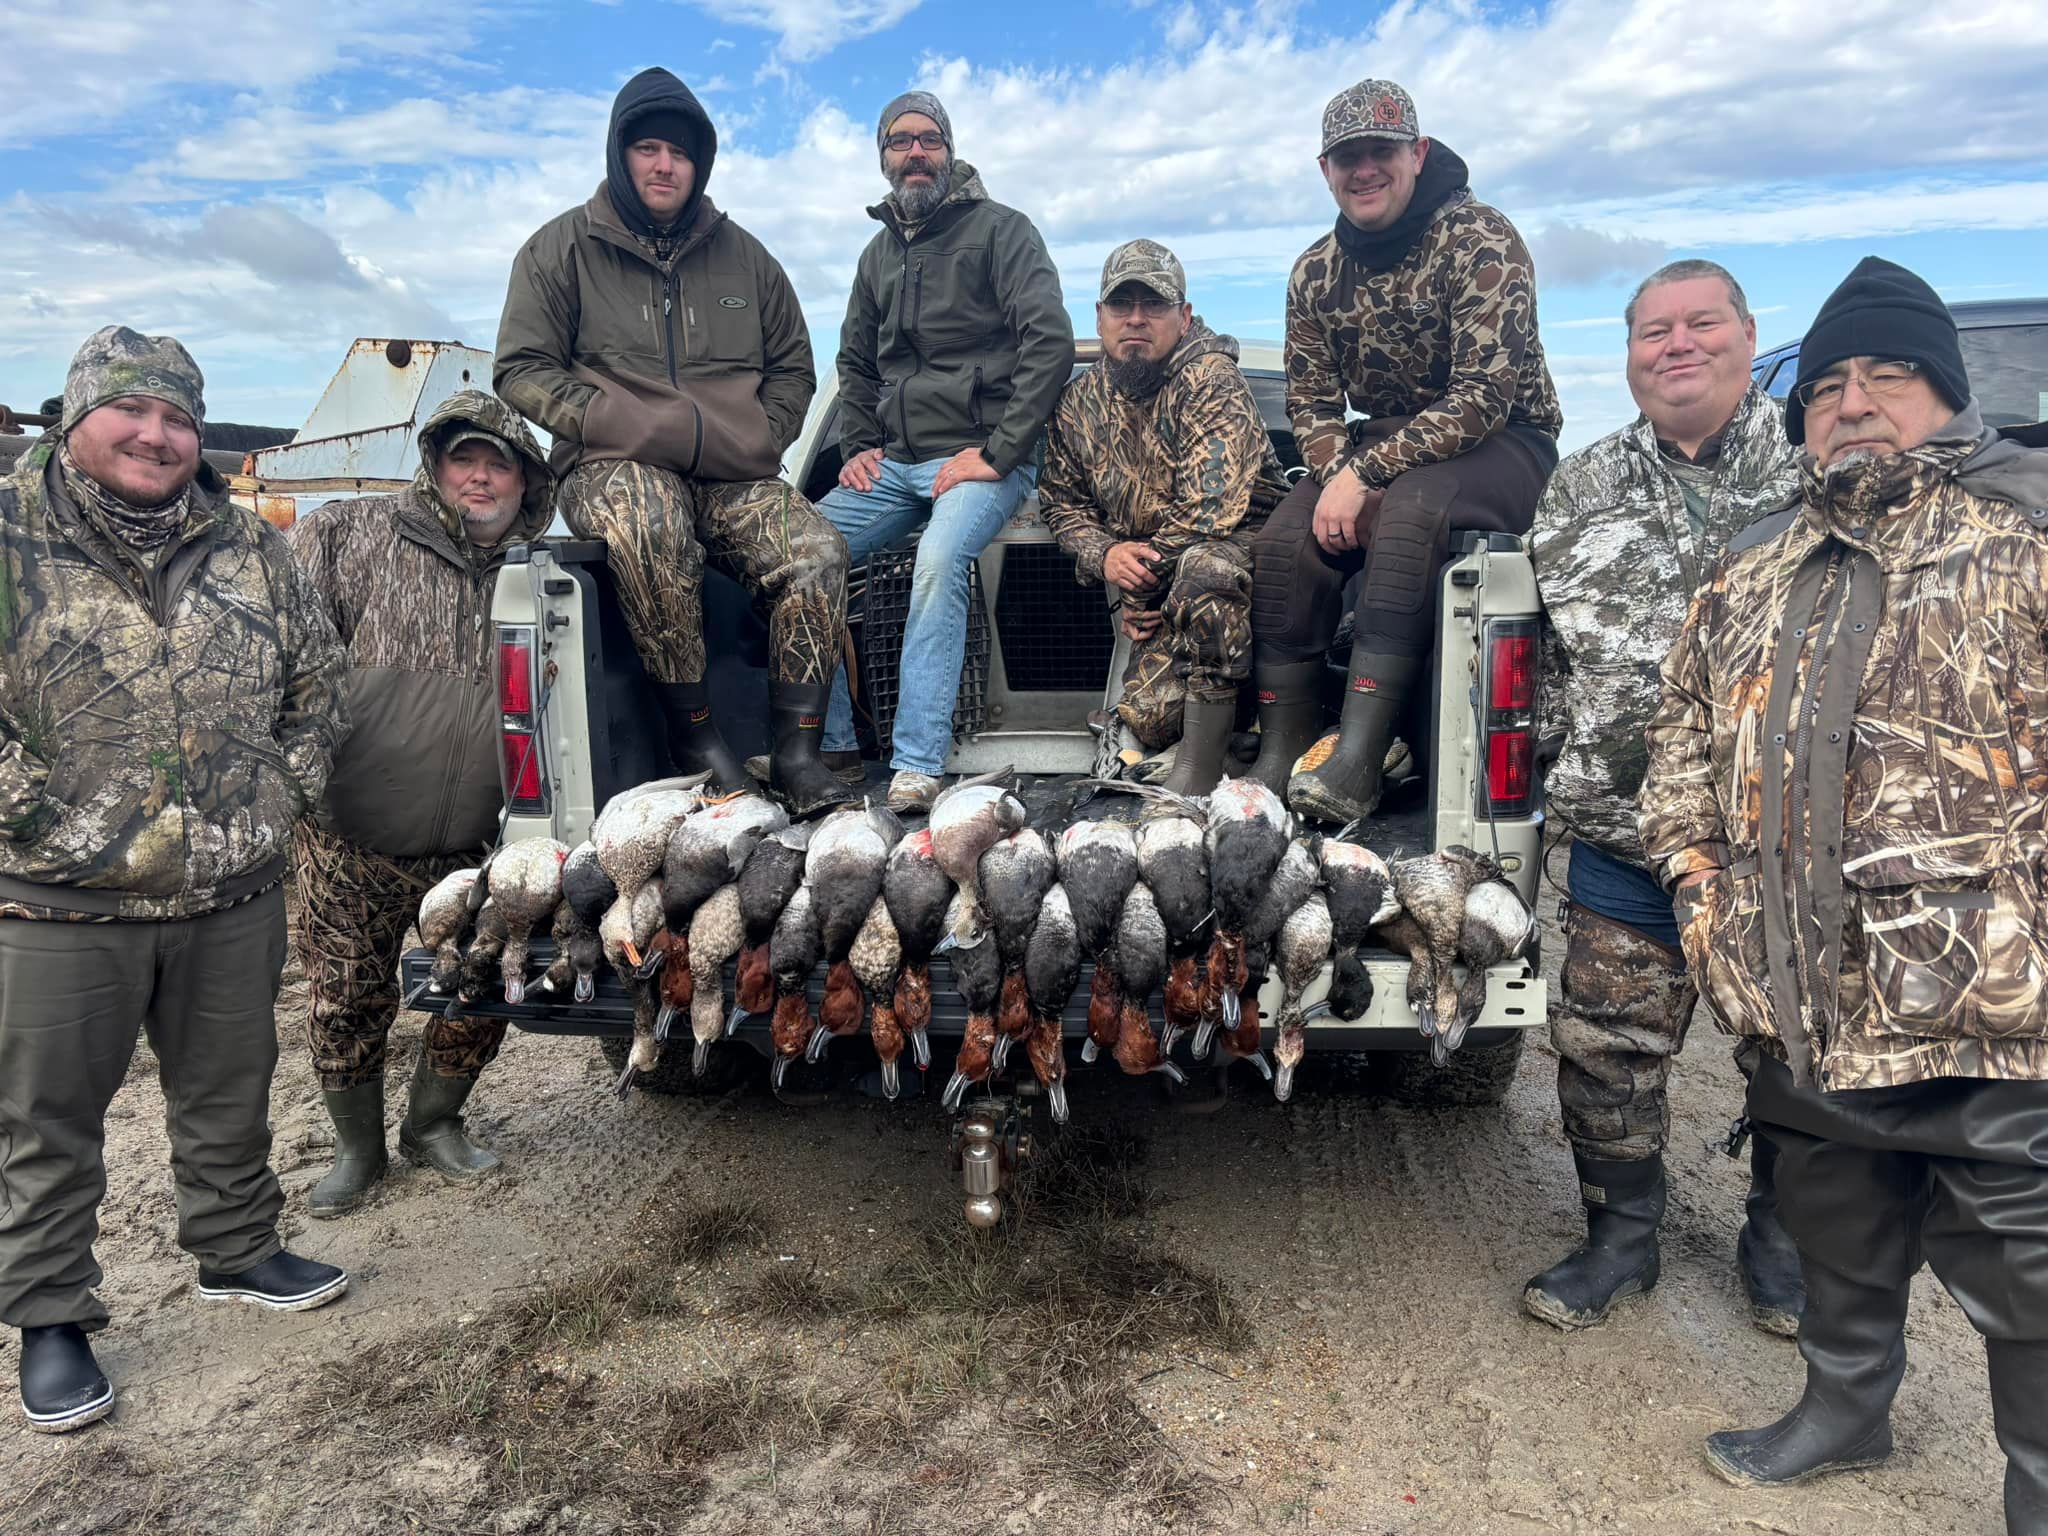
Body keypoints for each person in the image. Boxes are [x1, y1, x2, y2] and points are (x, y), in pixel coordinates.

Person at [1640, 256, 2048, 1523]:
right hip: (1800, 992)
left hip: (1994, 1010)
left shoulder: (2024, 534)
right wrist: (1700, 894)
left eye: (1888, 375)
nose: (1851, 402)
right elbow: (1680, 738)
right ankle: (1843, 1409)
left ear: (1947, 393)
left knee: (2028, 1272)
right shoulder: (1751, 562)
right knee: (1832, 1221)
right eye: (1824, 387)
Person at [0, 327, 350, 1433]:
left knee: (229, 1090)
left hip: (230, 888)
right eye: (132, 412)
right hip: (55, 900)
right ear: (76, 418)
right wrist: (45, 819)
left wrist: (282, 794)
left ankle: (237, 1249)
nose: (156, 436)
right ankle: (52, 1317)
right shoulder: (11, 534)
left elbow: (319, 682)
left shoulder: (250, 545)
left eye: (178, 419)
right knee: (47, 1119)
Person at [1522, 261, 1807, 1336]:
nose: (1676, 345)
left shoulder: (1819, 468)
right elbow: (1546, 657)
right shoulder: (1580, 484)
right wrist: (1569, 765)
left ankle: (1782, 1244)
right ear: (1630, 354)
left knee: (1797, 1054)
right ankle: (1619, 1239)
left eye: (1701, 323)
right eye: (1653, 330)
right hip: (1624, 834)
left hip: (1780, 843)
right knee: (1603, 1049)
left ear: (1748, 335)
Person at [494, 66, 855, 817]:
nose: (665, 166)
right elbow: (520, 369)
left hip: (730, 473)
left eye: (681, 153)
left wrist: (762, 434)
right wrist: (607, 420)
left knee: (818, 550)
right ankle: (698, 741)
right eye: (648, 149)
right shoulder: (559, 250)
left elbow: (795, 366)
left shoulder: (748, 259)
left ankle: (797, 753)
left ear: (701, 163)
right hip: (615, 465)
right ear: (619, 154)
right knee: (649, 524)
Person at [1245, 79, 1561, 816]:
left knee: (1413, 509)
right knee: (1285, 540)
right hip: (1384, 447)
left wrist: (1367, 476)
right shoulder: (1313, 272)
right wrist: (1340, 480)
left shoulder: (1482, 240)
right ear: (1325, 169)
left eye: (1381, 152)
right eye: (1346, 156)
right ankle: (1283, 748)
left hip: (1506, 439)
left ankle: (1361, 757)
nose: (1364, 170)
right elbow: (1312, 403)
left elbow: (1483, 396)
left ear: (1417, 153)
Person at [286, 391, 554, 1218]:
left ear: (525, 479)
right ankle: (357, 1150)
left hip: (480, 843)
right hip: (350, 834)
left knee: (485, 985)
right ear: (434, 466)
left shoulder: (546, 571)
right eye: (463, 458)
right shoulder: (348, 534)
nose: (480, 477)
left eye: (499, 463)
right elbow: (282, 661)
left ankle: (433, 1125)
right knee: (345, 997)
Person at [818, 90, 1075, 814]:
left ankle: (915, 765)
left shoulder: (1002, 231)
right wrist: (860, 444)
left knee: (937, 560)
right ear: (883, 157)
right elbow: (854, 363)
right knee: (798, 554)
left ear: (950, 151)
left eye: (929, 139)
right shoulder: (876, 256)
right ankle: (831, 747)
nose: (916, 153)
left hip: (979, 459)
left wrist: (999, 451)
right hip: (894, 464)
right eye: (901, 141)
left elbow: (1050, 343)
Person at [1038, 239, 1288, 794]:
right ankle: (1236, 741)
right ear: (1099, 317)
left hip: (1247, 570)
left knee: (1206, 568)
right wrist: (1106, 554)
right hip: (1161, 585)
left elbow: (1209, 511)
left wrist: (1139, 586)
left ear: (1185, 316)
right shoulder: (1078, 402)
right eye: (1121, 305)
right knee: (1150, 717)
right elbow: (1061, 502)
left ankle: (1201, 775)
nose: (1136, 318)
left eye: (1153, 304)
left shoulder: (1211, 380)